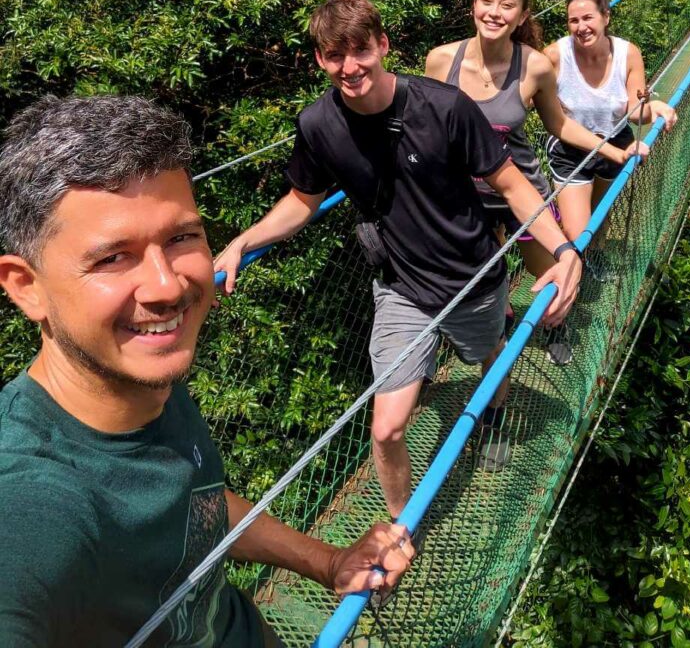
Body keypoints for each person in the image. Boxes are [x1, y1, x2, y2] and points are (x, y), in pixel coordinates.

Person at [0, 94, 415, 648]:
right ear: (27, 288)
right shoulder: (33, 493)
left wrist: (328, 560)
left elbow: (195, 501)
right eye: (111, 257)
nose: (168, 286)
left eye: (181, 238)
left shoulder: (142, 381)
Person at [215, 0, 582, 515]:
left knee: (489, 360)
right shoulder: (318, 125)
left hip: (472, 275)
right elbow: (302, 201)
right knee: (385, 428)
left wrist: (564, 248)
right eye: (334, 56)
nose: (350, 67)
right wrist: (243, 241)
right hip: (402, 287)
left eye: (360, 50)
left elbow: (510, 183)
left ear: (382, 45)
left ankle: (494, 416)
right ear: (319, 60)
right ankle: (396, 532)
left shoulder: (445, 107)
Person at [425, 0, 651, 284]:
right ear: (474, 5)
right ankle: (501, 312)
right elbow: (429, 132)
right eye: (486, 2)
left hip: (522, 190)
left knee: (556, 276)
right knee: (481, 283)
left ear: (522, 16)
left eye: (506, 6)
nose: (494, 13)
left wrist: (615, 152)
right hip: (466, 196)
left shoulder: (535, 66)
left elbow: (559, 124)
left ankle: (561, 325)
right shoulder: (440, 61)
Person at [543, 0, 677, 242]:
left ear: (606, 17)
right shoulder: (554, 56)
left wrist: (654, 109)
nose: (581, 27)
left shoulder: (628, 54)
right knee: (577, 233)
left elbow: (634, 111)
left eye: (588, 18)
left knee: (600, 217)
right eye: (574, 21)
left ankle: (597, 262)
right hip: (571, 148)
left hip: (615, 141)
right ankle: (580, 273)